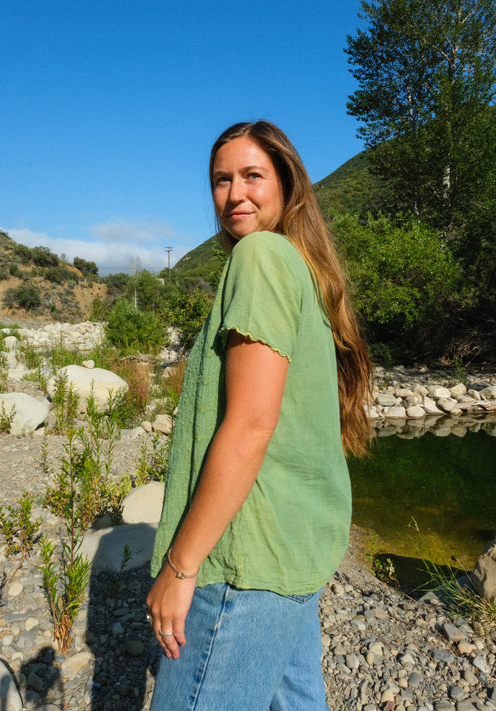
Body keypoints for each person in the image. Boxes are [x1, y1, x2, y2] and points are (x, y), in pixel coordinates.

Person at [146, 120, 372, 710]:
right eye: (221, 180)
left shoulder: (260, 257)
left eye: (252, 176)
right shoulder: (300, 266)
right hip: (295, 546)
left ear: (286, 185)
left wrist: (180, 567)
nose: (234, 194)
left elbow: (250, 425)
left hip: (246, 558)